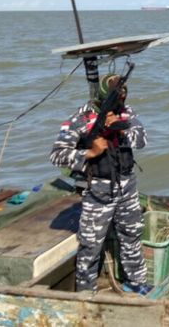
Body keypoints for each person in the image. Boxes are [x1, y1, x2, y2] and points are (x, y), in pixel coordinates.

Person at [49, 73, 151, 295]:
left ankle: (136, 282)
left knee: (132, 233)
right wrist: (90, 152)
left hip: (127, 185)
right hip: (98, 188)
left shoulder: (126, 112)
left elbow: (142, 140)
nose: (120, 105)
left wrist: (121, 128)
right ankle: (86, 292)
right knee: (91, 245)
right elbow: (57, 155)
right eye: (115, 101)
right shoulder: (82, 118)